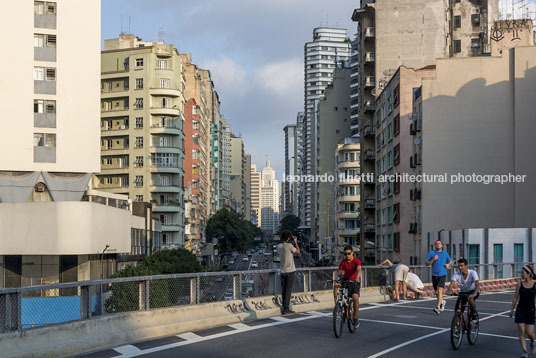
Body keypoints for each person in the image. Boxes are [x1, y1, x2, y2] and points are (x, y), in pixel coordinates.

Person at [509, 265, 536, 358]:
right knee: (521, 331)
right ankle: (525, 351)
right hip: (520, 310)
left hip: (531, 311)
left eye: (523, 273)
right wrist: (511, 310)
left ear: (529, 274)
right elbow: (515, 297)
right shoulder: (520, 283)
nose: (521, 274)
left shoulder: (535, 283)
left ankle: (532, 342)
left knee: (530, 333)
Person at [335, 245, 362, 327]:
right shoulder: (343, 262)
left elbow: (359, 269)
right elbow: (339, 272)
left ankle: (355, 317)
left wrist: (357, 277)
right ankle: (337, 305)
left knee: (355, 297)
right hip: (345, 280)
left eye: (349, 253)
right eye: (345, 254)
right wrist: (340, 273)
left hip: (354, 282)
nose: (347, 255)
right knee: (336, 285)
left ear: (352, 253)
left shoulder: (357, 261)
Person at [425, 239, 453, 314]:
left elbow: (450, 260)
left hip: (442, 274)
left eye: (439, 243)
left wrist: (448, 264)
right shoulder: (431, 253)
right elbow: (426, 263)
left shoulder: (445, 253)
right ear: (435, 245)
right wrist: (433, 259)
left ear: (442, 245)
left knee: (440, 289)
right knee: (436, 292)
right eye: (436, 244)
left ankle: (438, 307)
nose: (438, 245)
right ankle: (442, 301)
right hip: (434, 274)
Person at [277, 230, 300, 315]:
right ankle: (286, 308)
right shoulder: (289, 246)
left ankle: (284, 307)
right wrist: (296, 243)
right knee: (288, 290)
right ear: (288, 238)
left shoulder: (278, 246)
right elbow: (298, 252)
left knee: (284, 290)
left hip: (282, 271)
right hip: (290, 271)